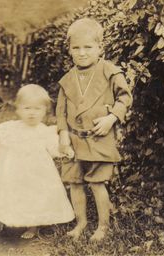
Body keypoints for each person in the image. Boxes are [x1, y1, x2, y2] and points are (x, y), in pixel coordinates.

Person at [56, 18, 133, 241]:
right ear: (69, 49)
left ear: (100, 47)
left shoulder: (110, 72)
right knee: (75, 183)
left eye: (88, 47)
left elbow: (125, 98)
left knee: (97, 183)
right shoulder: (67, 79)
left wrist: (111, 118)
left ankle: (103, 226)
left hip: (99, 139)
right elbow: (60, 111)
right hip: (74, 140)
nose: (82, 53)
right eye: (76, 48)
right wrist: (62, 134)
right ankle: (81, 223)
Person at [0, 84, 75, 239]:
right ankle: (10, 221)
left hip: (36, 175)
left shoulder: (44, 131)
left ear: (45, 111)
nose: (32, 113)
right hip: (13, 174)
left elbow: (54, 148)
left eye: (37, 109)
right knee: (12, 196)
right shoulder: (10, 128)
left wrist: (65, 150)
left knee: (33, 198)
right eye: (27, 108)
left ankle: (33, 226)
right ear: (18, 109)